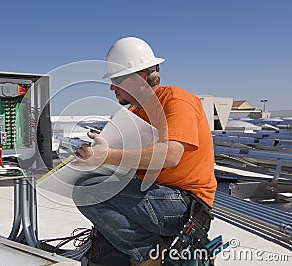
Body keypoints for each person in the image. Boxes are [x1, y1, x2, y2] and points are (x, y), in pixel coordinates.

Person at [72, 37, 217, 266]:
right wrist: (93, 157)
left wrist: (107, 155)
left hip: (184, 204)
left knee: (88, 190)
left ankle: (149, 256)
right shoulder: (136, 112)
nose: (112, 87)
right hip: (157, 195)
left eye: (117, 80)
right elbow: (127, 159)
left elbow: (170, 155)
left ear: (140, 78)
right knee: (89, 183)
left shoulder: (176, 100)